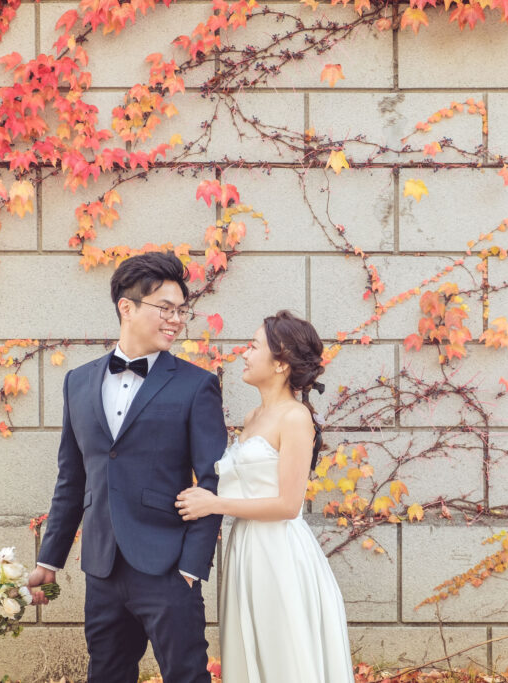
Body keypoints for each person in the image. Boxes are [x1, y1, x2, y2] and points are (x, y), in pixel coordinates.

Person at [27, 252, 226, 683]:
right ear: (127, 307)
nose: (175, 320)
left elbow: (213, 482)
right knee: (107, 675)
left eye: (181, 311)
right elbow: (72, 478)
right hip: (102, 568)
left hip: (169, 567)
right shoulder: (78, 381)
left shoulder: (197, 385)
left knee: (187, 675)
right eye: (165, 309)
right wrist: (50, 561)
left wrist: (192, 567)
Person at [176, 310, 354, 683]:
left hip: (279, 553)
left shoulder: (294, 418)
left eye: (254, 346)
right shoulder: (253, 415)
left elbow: (289, 505)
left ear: (281, 362)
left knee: (282, 653)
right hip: (246, 549)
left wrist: (215, 505)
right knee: (249, 651)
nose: (244, 353)